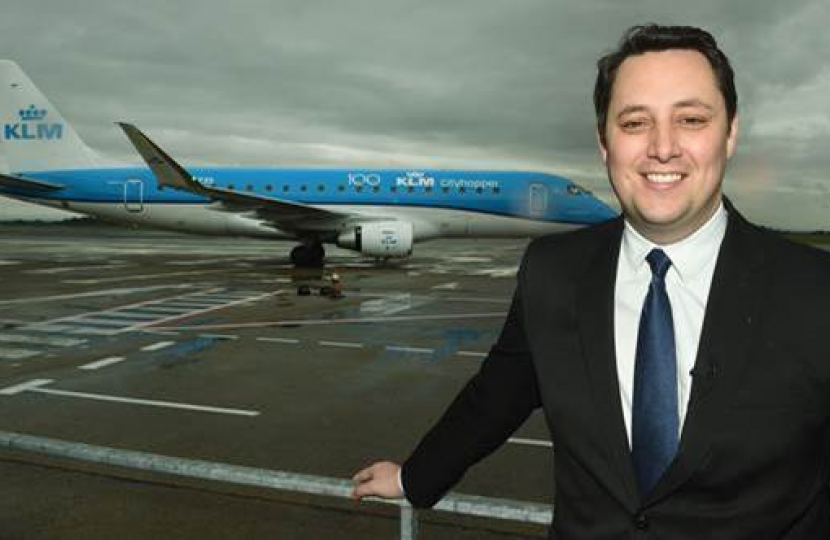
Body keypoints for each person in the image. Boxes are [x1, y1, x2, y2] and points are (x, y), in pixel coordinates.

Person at [352, 23, 830, 538]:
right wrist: (413, 478)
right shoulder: (552, 272)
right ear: (605, 143)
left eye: (690, 119)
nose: (662, 147)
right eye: (634, 123)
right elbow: (495, 398)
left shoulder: (814, 291)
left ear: (730, 133)